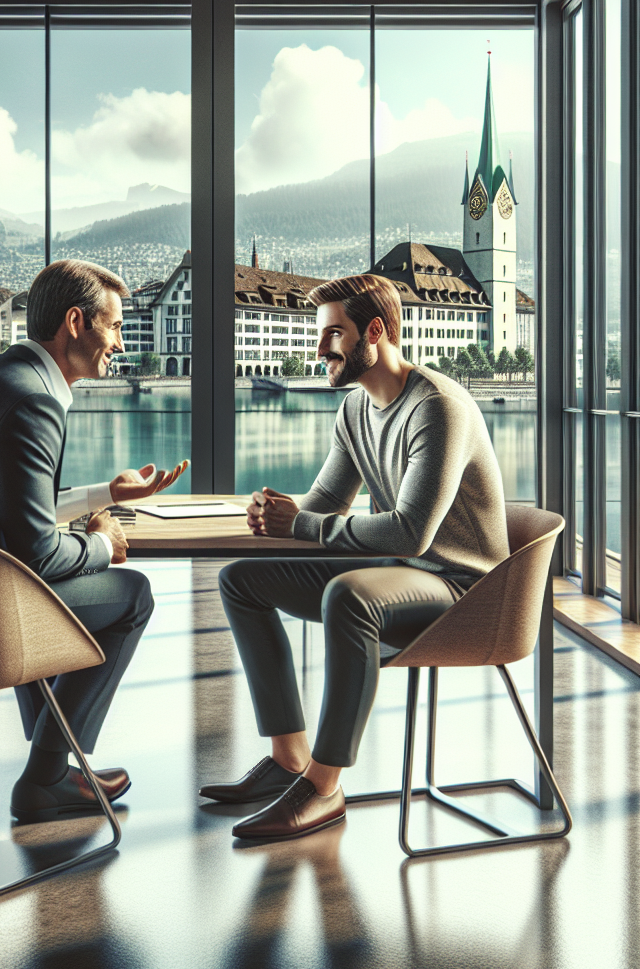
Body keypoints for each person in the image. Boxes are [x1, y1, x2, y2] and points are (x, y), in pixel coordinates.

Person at [201, 273, 509, 841]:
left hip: (465, 589)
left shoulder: (437, 408)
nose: (319, 348)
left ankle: (324, 788)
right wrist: (279, 510)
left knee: (350, 596)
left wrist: (302, 524)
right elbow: (326, 501)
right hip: (403, 574)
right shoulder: (355, 409)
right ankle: (289, 759)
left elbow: (410, 533)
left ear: (375, 332)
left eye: (333, 334)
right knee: (242, 580)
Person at [0, 259, 188, 822]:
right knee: (131, 595)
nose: (120, 343)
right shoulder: (33, 399)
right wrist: (101, 545)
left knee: (30, 592)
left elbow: (6, 509)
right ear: (75, 322)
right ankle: (46, 775)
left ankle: (53, 761)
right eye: (115, 326)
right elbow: (37, 554)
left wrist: (104, 495)